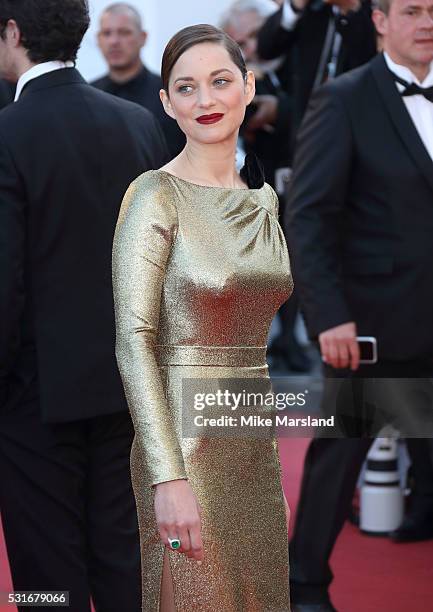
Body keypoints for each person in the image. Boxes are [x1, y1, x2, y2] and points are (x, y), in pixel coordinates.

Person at [112, 23, 292, 612]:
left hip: (252, 443)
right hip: (184, 449)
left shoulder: (263, 198)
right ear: (166, 103)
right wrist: (168, 477)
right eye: (186, 88)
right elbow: (134, 341)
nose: (205, 100)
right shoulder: (152, 195)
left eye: (220, 82)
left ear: (248, 85)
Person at [0, 1, 167, 610]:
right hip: (126, 385)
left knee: (45, 575)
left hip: (32, 396)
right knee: (122, 559)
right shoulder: (137, 124)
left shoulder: (8, 131)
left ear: (14, 33)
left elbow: (6, 279)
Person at [284, 0, 433, 609]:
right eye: (413, 10)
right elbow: (309, 216)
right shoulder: (344, 98)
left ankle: (419, 512)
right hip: (370, 319)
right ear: (379, 20)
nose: (427, 22)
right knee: (338, 457)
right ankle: (304, 585)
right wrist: (329, 315)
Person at [257, 0, 377, 140]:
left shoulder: (375, 10)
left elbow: (367, 57)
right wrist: (296, 6)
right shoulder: (314, 8)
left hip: (355, 128)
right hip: (307, 128)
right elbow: (266, 48)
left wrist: (350, 7)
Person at [92, 2, 185, 159]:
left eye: (124, 32)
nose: (114, 41)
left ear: (142, 38)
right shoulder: (89, 95)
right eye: (107, 33)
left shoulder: (169, 94)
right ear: (98, 39)